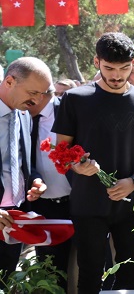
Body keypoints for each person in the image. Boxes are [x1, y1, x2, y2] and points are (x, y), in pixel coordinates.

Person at [52, 33, 134, 293]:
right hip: (87, 202)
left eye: (124, 68)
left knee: (130, 273)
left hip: (131, 202)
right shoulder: (75, 99)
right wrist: (77, 166)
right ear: (96, 62)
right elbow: (62, 150)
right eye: (109, 68)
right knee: (89, 274)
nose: (117, 76)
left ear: (133, 63)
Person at [0, 57, 52, 286]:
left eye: (43, 94)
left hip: (14, 220)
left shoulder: (24, 115)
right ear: (9, 81)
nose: (38, 100)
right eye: (33, 92)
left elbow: (23, 164)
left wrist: (36, 180)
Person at [28, 91, 72, 292]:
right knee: (50, 270)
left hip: (76, 203)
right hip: (40, 207)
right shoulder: (20, 115)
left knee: (86, 266)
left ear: (37, 94)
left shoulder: (67, 111)